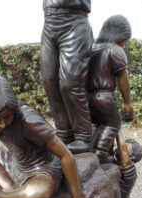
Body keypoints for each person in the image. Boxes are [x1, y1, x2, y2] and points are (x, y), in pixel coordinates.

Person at [40, 0, 93, 153]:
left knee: (70, 84)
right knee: (49, 81)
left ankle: (84, 137)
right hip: (49, 22)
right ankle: (64, 134)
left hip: (74, 21)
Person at [87, 15, 135, 164]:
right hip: (104, 97)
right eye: (125, 40)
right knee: (112, 124)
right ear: (121, 35)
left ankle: (91, 156)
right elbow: (122, 78)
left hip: (86, 97)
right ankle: (98, 159)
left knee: (95, 126)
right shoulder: (115, 50)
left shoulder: (92, 49)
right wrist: (127, 103)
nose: (125, 44)